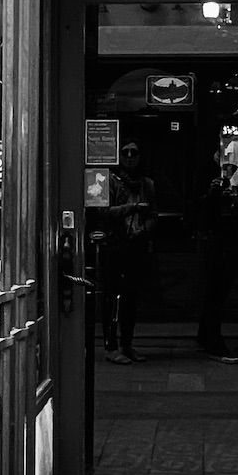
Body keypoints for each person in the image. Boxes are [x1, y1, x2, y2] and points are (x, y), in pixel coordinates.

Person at [100, 141, 157, 364]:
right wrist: (132, 208)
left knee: (131, 299)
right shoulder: (109, 180)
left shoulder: (146, 183)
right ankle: (111, 346)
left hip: (136, 245)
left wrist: (144, 230)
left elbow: (154, 213)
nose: (130, 157)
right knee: (112, 297)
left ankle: (127, 344)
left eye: (135, 153)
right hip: (114, 244)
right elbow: (103, 212)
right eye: (126, 153)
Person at [197, 153, 238, 363]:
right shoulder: (213, 182)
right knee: (215, 291)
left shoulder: (227, 182)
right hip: (219, 242)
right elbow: (206, 209)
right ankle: (211, 338)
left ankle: (207, 334)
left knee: (216, 292)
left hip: (225, 240)